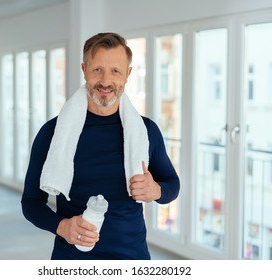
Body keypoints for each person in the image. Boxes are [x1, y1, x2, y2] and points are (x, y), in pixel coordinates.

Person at [21, 32, 180, 260]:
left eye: (115, 71)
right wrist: (61, 226)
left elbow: (172, 185)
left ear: (127, 75)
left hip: (131, 256)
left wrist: (157, 190)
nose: (106, 81)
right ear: (84, 69)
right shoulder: (53, 133)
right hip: (73, 258)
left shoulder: (146, 131)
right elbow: (31, 203)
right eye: (97, 70)